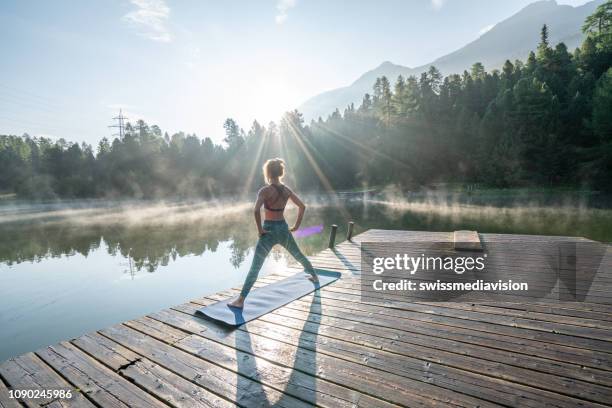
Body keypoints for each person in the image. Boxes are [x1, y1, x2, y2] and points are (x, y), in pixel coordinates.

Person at [229, 158, 318, 309]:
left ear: (268, 173)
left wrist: (260, 230)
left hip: (268, 230)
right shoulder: (287, 190)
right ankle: (314, 276)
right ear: (280, 172)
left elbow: (256, 210)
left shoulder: (264, 191)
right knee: (298, 254)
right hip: (283, 228)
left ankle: (241, 301)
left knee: (255, 267)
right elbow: (302, 206)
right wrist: (296, 226)